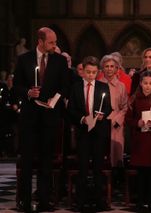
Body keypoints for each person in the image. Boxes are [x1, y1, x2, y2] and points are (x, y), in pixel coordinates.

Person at [13, 27, 69, 212]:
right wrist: (28, 92)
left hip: (49, 117)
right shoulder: (24, 59)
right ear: (40, 41)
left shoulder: (60, 61)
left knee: (46, 161)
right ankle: (24, 200)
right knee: (27, 161)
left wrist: (55, 100)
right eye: (51, 42)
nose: (55, 45)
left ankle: (45, 200)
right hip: (29, 118)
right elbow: (16, 88)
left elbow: (64, 86)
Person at [67, 56, 112, 212]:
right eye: (88, 72)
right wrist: (82, 118)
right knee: (83, 168)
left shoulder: (103, 87)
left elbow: (108, 108)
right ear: (83, 71)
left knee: (98, 168)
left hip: (99, 132)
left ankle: (99, 201)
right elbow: (71, 110)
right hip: (83, 133)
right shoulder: (75, 87)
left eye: (93, 72)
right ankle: (81, 201)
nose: (91, 75)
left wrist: (102, 115)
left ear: (97, 72)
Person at [125, 71, 151, 211]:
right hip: (140, 141)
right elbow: (128, 119)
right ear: (141, 83)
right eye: (145, 83)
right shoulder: (135, 99)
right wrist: (138, 123)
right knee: (141, 174)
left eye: (150, 83)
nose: (148, 86)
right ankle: (140, 202)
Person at [99, 55, 128, 168]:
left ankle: (117, 177)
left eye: (112, 66)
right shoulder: (98, 84)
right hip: (100, 122)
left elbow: (125, 107)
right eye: (107, 66)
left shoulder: (121, 86)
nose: (109, 69)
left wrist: (117, 119)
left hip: (116, 124)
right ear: (102, 68)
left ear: (117, 69)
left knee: (116, 154)